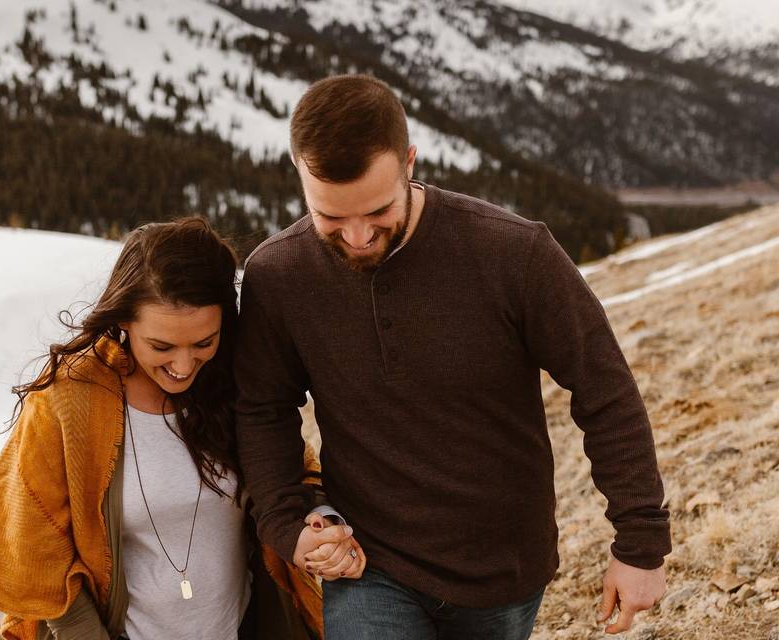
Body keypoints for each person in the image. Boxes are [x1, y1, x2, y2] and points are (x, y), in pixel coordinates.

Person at [234, 75, 671, 640]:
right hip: (369, 563)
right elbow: (262, 409)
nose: (359, 236)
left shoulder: (515, 253)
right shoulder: (278, 275)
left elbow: (604, 391)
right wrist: (287, 524)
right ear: (299, 176)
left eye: (377, 210)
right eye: (332, 218)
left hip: (502, 568)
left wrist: (640, 544)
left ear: (409, 162)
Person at [0, 218, 362, 640]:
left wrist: (318, 522)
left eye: (204, 343)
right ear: (124, 320)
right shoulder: (70, 400)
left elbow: (292, 480)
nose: (183, 367)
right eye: (161, 347)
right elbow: (34, 547)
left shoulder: (238, 382)